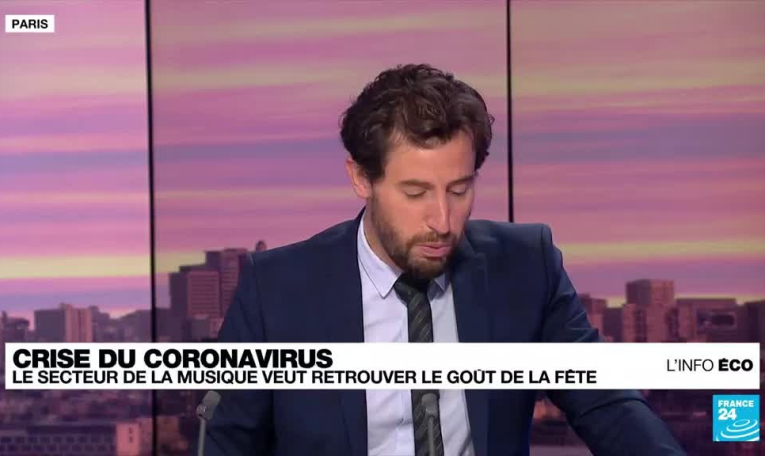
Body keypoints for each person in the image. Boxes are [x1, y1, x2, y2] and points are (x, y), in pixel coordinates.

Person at [205, 64, 686, 455]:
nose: (442, 220)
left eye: (459, 190)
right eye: (415, 193)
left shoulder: (525, 266)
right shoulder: (277, 290)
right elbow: (226, 443)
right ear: (361, 178)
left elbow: (607, 404)